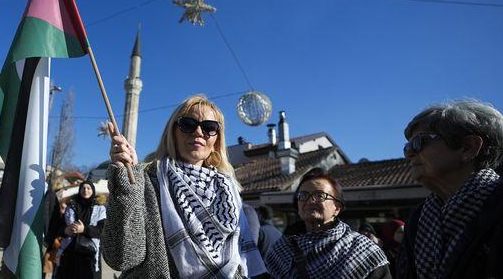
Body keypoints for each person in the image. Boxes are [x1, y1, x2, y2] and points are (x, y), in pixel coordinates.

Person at [102, 94, 266, 278]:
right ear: (173, 132)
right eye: (188, 124)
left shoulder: (229, 191)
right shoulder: (145, 179)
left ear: (216, 141)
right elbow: (121, 258)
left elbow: (243, 264)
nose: (198, 132)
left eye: (209, 127)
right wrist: (126, 181)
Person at [397, 100, 503, 279]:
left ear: (468, 147)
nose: (409, 153)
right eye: (407, 146)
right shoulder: (417, 219)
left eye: (419, 142)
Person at [265, 167, 390, 279]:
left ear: (337, 208)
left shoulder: (362, 250)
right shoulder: (281, 249)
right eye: (303, 195)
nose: (310, 201)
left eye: (320, 195)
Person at [56, 181, 106, 279]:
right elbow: (58, 228)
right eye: (83, 188)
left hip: (89, 255)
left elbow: (102, 231)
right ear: (79, 190)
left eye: (88, 188)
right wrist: (65, 230)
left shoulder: (100, 209)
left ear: (93, 191)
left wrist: (84, 229)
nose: (85, 190)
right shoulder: (71, 207)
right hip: (69, 255)